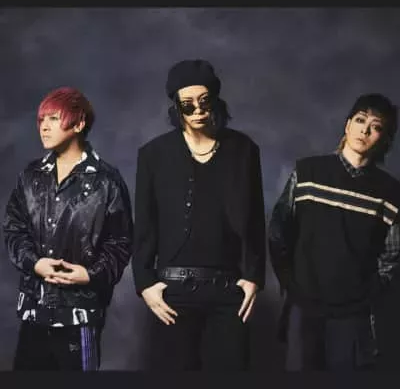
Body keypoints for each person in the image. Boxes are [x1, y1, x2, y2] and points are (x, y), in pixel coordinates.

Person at [131, 59, 266, 371]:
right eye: (188, 105)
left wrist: (253, 278)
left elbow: (256, 221)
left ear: (215, 101)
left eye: (204, 102)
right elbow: (145, 226)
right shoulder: (153, 155)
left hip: (228, 291)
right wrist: (145, 283)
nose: (198, 111)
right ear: (176, 108)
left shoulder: (244, 150)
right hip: (173, 292)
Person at [3, 86, 134, 371]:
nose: (44, 127)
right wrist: (35, 263)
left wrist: (90, 275)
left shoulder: (106, 181)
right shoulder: (31, 176)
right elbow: (14, 230)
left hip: (80, 316)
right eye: (41, 119)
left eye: (53, 118)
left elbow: (121, 243)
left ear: (78, 123)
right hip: (33, 314)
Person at [268, 93, 400, 371]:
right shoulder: (308, 172)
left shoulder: (390, 193)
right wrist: (291, 283)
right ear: (347, 124)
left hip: (353, 314)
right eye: (360, 120)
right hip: (303, 307)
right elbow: (279, 230)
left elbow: (391, 256)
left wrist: (366, 293)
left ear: (384, 138)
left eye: (376, 126)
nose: (365, 131)